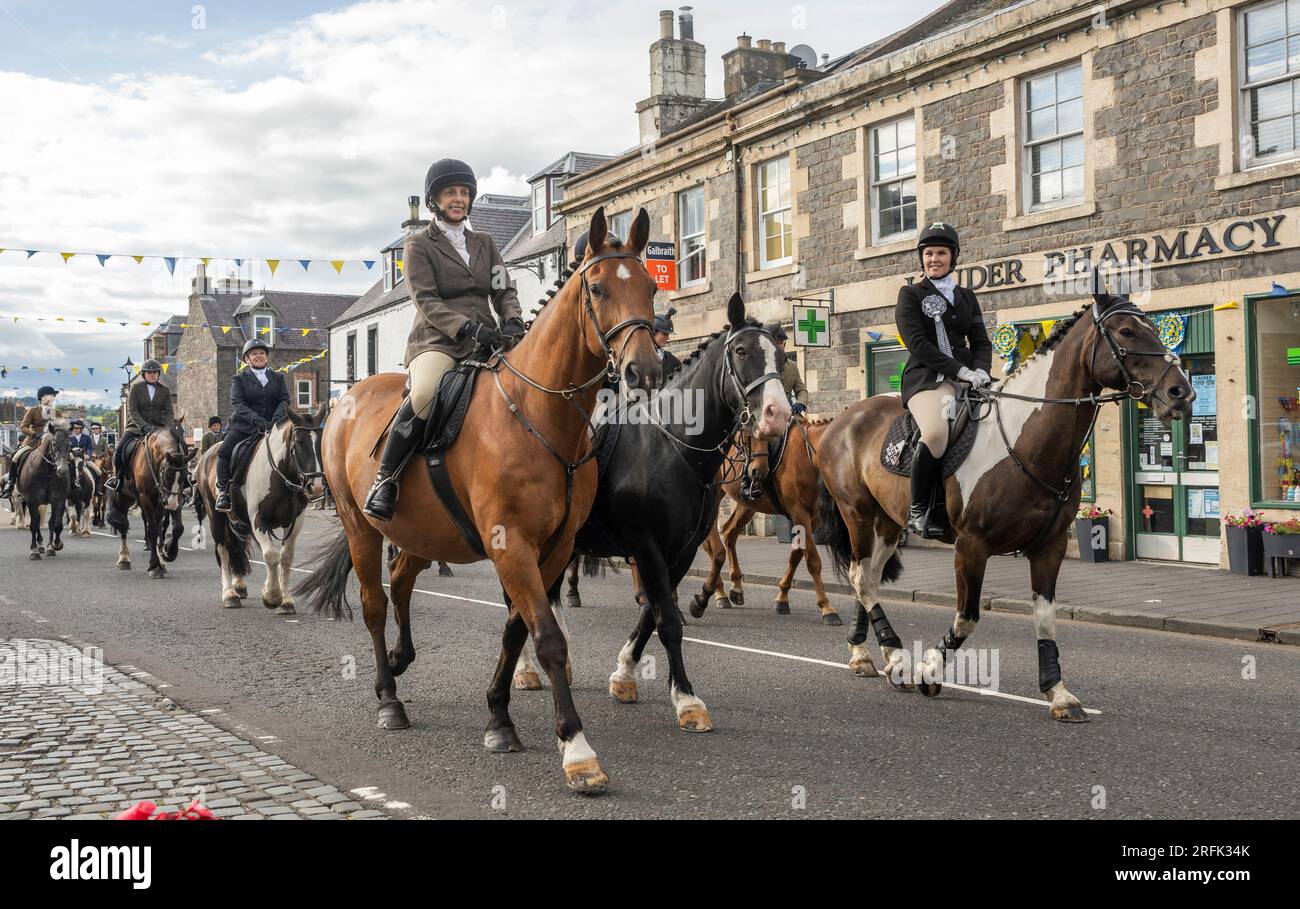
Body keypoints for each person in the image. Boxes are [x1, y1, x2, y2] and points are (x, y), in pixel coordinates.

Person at [362, 157, 524, 520]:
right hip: (438, 340)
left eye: (464, 192)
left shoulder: (485, 242)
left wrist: (512, 319)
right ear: (434, 199)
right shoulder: (419, 244)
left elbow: (503, 289)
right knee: (423, 394)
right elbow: (426, 300)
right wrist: (465, 327)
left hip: (489, 339)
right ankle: (386, 479)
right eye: (451, 192)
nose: (459, 198)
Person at [895, 221, 993, 538]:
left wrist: (981, 370)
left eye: (941, 253)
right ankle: (919, 510)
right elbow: (918, 344)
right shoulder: (910, 294)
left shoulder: (966, 296)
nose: (934, 258)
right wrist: (958, 370)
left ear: (953, 257)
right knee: (936, 432)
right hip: (926, 379)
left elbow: (981, 341)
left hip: (967, 378)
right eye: (928, 253)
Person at [214, 340, 289, 513]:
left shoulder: (278, 377)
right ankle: (223, 491)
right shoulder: (239, 379)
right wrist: (258, 420)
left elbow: (284, 400)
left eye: (261, 353)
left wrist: (276, 418)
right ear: (247, 359)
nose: (258, 356)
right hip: (244, 426)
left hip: (273, 425)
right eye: (254, 354)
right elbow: (237, 404)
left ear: (266, 357)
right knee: (224, 451)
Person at [740, 324, 809, 501]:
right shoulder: (761, 364)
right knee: (759, 441)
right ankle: (747, 482)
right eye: (778, 342)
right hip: (764, 411)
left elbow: (801, 389)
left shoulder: (792, 366)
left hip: (788, 412)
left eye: (783, 343)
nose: (781, 346)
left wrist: (800, 403)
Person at [105, 360, 175, 492]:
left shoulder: (165, 390)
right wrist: (144, 426)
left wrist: (167, 428)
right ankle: (118, 479)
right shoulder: (135, 389)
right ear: (144, 374)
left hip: (158, 429)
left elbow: (169, 412)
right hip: (135, 428)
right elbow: (133, 411)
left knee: (178, 448)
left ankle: (184, 479)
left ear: (158, 373)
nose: (152, 374)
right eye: (149, 372)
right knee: (119, 451)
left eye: (155, 372)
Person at [0, 385, 59, 497]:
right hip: (33, 441)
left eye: (53, 396)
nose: (52, 398)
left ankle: (72, 483)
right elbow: (23, 427)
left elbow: (62, 428)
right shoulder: (33, 411)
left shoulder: (57, 412)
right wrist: (34, 434)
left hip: (52, 442)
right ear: (42, 398)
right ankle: (10, 483)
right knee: (16, 456)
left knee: (69, 457)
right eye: (50, 396)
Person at [654, 308, 681, 377]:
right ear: (653, 332)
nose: (668, 338)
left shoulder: (673, 361)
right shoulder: (641, 360)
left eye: (668, 335)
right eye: (665, 334)